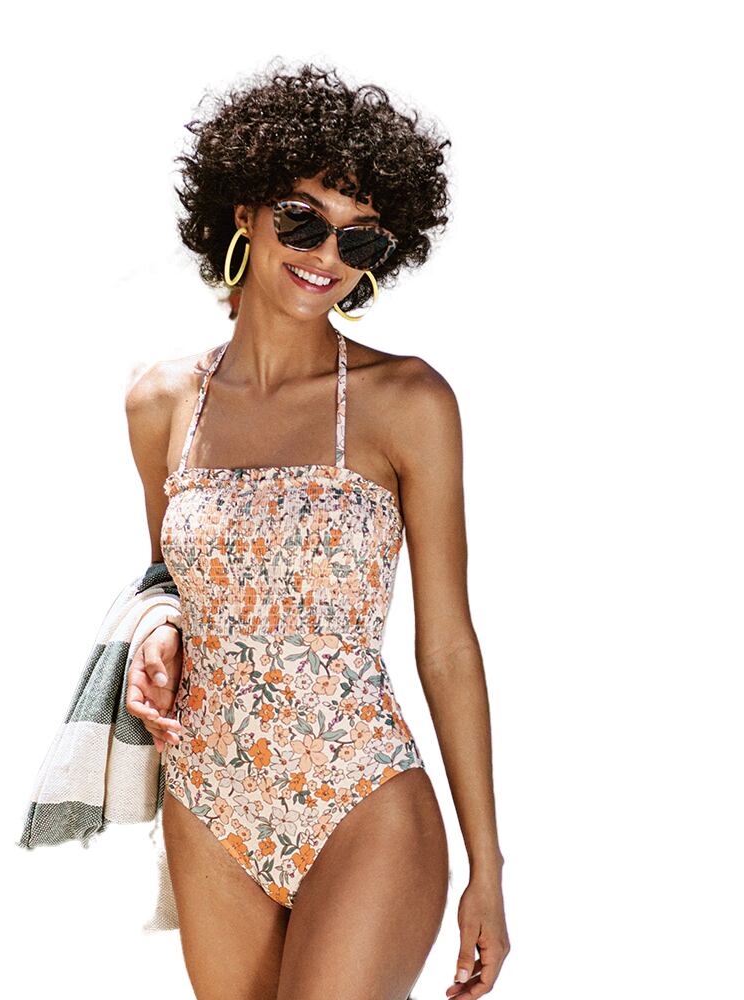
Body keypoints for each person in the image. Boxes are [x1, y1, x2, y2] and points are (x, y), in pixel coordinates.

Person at [123, 61, 509, 1000]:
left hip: (362, 795)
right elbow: (167, 580)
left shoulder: (407, 401)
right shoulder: (162, 403)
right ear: (244, 213)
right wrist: (156, 631)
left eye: (358, 237)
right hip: (209, 798)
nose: (325, 254)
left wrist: (488, 868)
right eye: (302, 221)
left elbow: (447, 642)